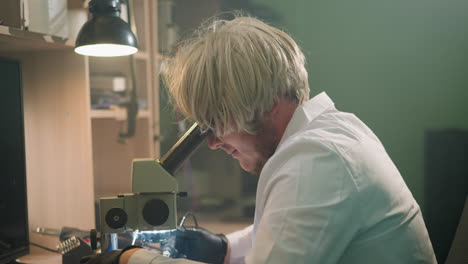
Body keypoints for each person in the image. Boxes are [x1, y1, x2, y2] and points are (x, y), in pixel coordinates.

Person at [82, 16, 437, 264]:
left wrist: (135, 258)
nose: (213, 142)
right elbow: (289, 229)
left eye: (216, 121)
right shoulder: (333, 135)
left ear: (267, 104)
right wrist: (223, 248)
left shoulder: (316, 161)